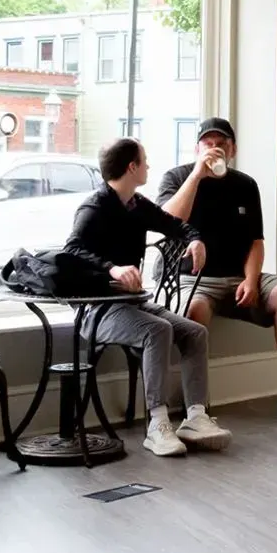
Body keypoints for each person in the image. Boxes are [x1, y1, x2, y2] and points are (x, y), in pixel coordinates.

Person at [157, 118, 277, 419]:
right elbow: (166, 222)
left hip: (238, 277)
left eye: (221, 144)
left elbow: (256, 241)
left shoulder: (245, 185)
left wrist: (252, 280)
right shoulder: (177, 178)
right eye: (208, 143)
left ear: (233, 150)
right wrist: (196, 176)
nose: (214, 148)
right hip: (191, 278)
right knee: (196, 312)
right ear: (197, 148)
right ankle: (195, 406)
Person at [66, 138, 231, 457]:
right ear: (132, 167)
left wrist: (195, 240)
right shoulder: (93, 208)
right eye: (144, 161)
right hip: (97, 311)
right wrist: (111, 269)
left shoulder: (137, 206)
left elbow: (174, 225)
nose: (148, 166)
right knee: (157, 330)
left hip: (132, 304)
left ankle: (195, 417)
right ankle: (157, 424)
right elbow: (71, 252)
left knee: (194, 332)